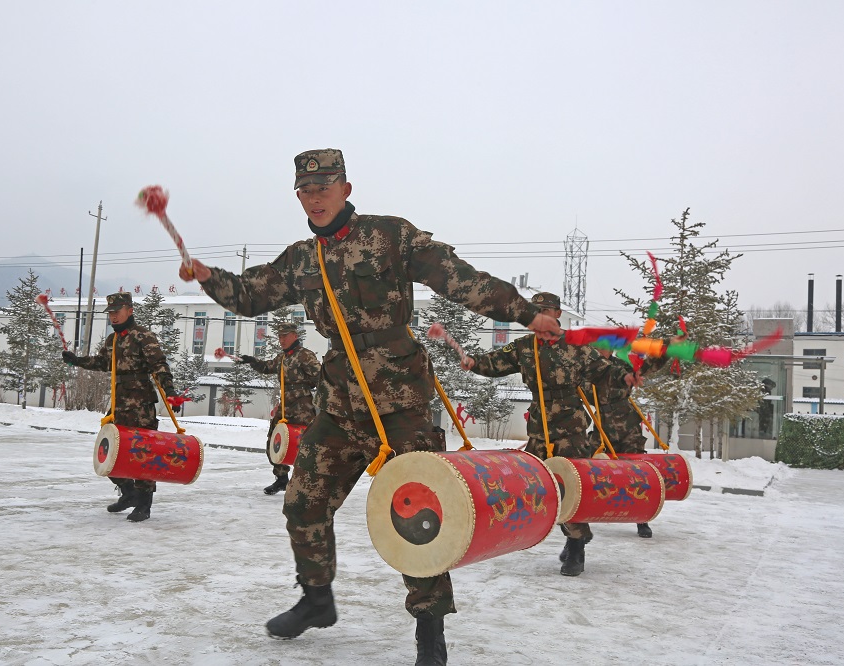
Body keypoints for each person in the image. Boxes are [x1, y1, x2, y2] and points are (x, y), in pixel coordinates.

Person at [179, 148, 561, 666]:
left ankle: (430, 626)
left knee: (420, 509)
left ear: (346, 189)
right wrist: (206, 274)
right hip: (341, 403)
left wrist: (524, 313)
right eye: (305, 191)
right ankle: (316, 600)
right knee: (303, 502)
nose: (314, 198)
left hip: (400, 398)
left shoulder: (389, 235)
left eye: (324, 187)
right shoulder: (300, 258)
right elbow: (249, 296)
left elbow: (458, 277)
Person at [462, 292, 641, 577]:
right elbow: (494, 362)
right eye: (535, 311)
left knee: (571, 484)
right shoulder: (524, 346)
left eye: (546, 310)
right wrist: (472, 362)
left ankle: (576, 545)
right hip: (538, 421)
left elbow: (603, 372)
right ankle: (564, 533)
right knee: (540, 483)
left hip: (570, 422)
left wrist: (625, 377)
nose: (540, 316)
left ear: (557, 314)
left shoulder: (576, 345)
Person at [62, 292, 180, 522]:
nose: (113, 317)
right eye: (111, 313)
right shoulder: (112, 340)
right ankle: (128, 493)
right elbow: (103, 362)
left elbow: (159, 365)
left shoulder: (143, 336)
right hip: (119, 404)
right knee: (110, 449)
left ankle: (144, 504)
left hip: (141, 403)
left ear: (130, 310)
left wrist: (171, 392)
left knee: (144, 452)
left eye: (117, 312)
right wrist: (77, 360)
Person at [587, 347, 670, 539]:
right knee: (592, 467)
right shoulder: (588, 369)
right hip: (602, 423)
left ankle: (642, 519)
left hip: (628, 424)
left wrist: (665, 350)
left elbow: (645, 368)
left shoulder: (622, 367)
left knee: (636, 470)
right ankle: (584, 516)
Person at [239, 321, 321, 495]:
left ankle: (307, 481)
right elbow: (267, 367)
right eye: (280, 337)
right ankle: (282, 478)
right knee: (275, 440)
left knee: (305, 443)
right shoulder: (283, 357)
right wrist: (252, 361)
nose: (281, 340)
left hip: (302, 405)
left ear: (294, 336)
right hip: (285, 405)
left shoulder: (305, 355)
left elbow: (320, 378)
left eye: (284, 336)